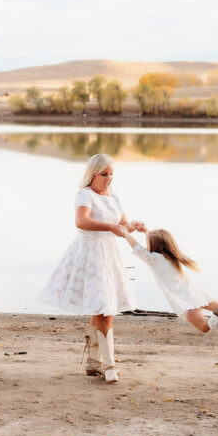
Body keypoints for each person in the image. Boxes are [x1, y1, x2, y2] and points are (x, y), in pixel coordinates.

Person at [39, 154, 145, 383]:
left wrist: (133, 225)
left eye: (111, 174)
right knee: (105, 310)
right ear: (93, 174)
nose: (109, 179)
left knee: (103, 307)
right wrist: (111, 226)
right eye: (104, 174)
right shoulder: (85, 194)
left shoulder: (114, 196)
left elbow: (123, 225)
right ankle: (109, 366)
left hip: (109, 256)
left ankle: (93, 362)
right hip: (90, 256)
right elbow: (81, 221)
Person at [123, 227, 218, 332]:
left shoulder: (154, 260)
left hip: (184, 300)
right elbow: (154, 242)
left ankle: (217, 318)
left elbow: (139, 249)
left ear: (153, 245)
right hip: (194, 292)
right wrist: (146, 231)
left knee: (204, 327)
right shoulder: (170, 258)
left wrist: (125, 233)